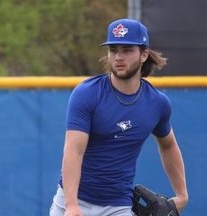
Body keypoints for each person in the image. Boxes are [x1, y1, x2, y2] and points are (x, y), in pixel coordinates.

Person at [49, 18, 188, 216]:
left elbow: (169, 144)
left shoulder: (157, 103)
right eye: (113, 50)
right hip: (72, 201)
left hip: (118, 206)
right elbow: (73, 150)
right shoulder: (88, 93)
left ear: (144, 54)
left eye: (127, 50)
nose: (118, 57)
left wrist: (182, 195)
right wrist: (71, 205)